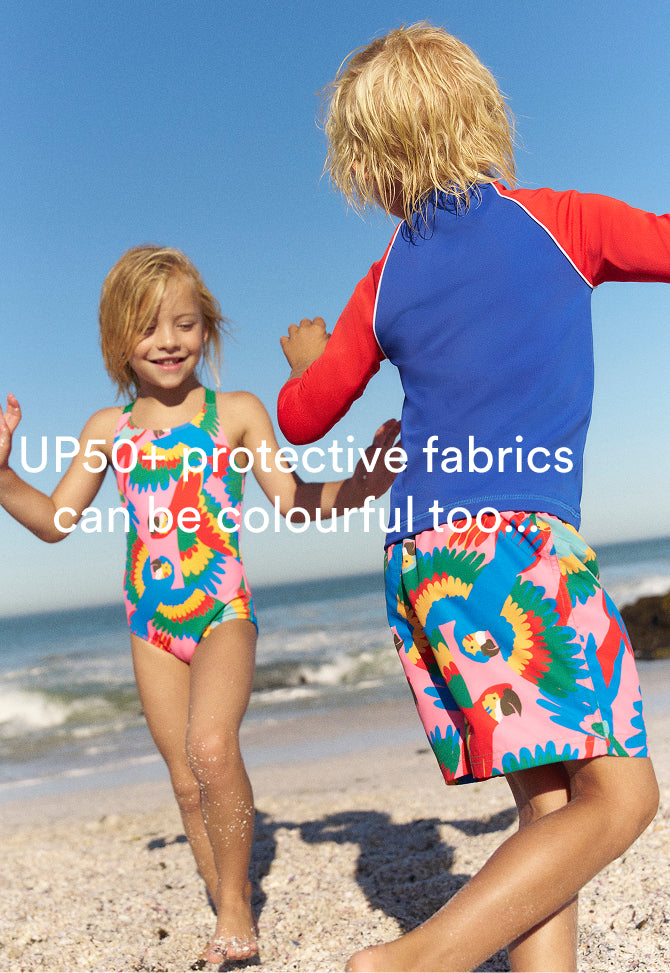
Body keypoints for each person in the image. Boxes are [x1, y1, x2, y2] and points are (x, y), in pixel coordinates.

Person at [277, 23, 668, 973]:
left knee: (550, 805)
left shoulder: (384, 279)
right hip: (520, 547)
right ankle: (410, 961)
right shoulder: (564, 221)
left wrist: (306, 360)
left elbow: (301, 416)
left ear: (369, 164)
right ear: (486, 115)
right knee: (624, 798)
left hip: (428, 561)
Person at [0, 245, 399, 968]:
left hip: (222, 609)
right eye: (147, 327)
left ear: (208, 326)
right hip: (150, 623)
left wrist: (361, 484)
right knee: (183, 780)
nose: (168, 341)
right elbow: (55, 520)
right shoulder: (107, 430)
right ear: (118, 340)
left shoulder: (235, 413)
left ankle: (234, 907)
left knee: (211, 749)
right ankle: (223, 892)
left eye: (184, 323)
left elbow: (292, 500)